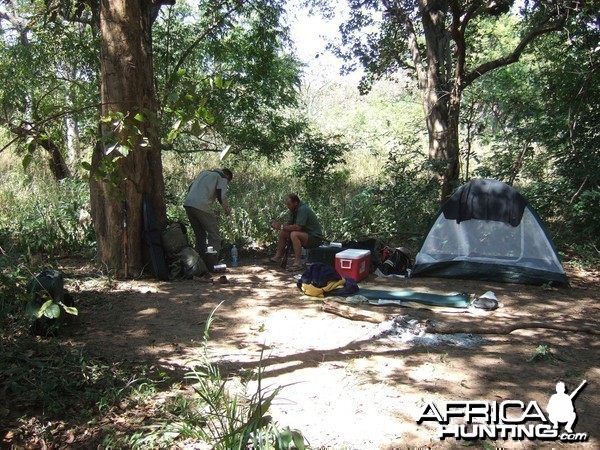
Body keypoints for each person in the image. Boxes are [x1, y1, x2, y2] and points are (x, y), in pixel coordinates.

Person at [266, 193, 323, 271]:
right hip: (306, 235)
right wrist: (279, 226)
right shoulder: (293, 209)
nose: (287, 206)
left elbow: (298, 227)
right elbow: (289, 224)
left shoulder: (303, 209)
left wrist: (281, 227)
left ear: (295, 203)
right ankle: (277, 257)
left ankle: (297, 263)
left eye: (289, 204)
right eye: (287, 204)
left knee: (294, 234)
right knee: (283, 232)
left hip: (314, 238)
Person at [184, 168, 233, 256]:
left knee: (200, 234)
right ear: (228, 176)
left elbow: (190, 187)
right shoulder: (222, 177)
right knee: (214, 235)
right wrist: (227, 209)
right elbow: (221, 196)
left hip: (189, 204)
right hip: (201, 206)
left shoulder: (204, 173)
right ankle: (213, 263)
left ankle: (200, 262)